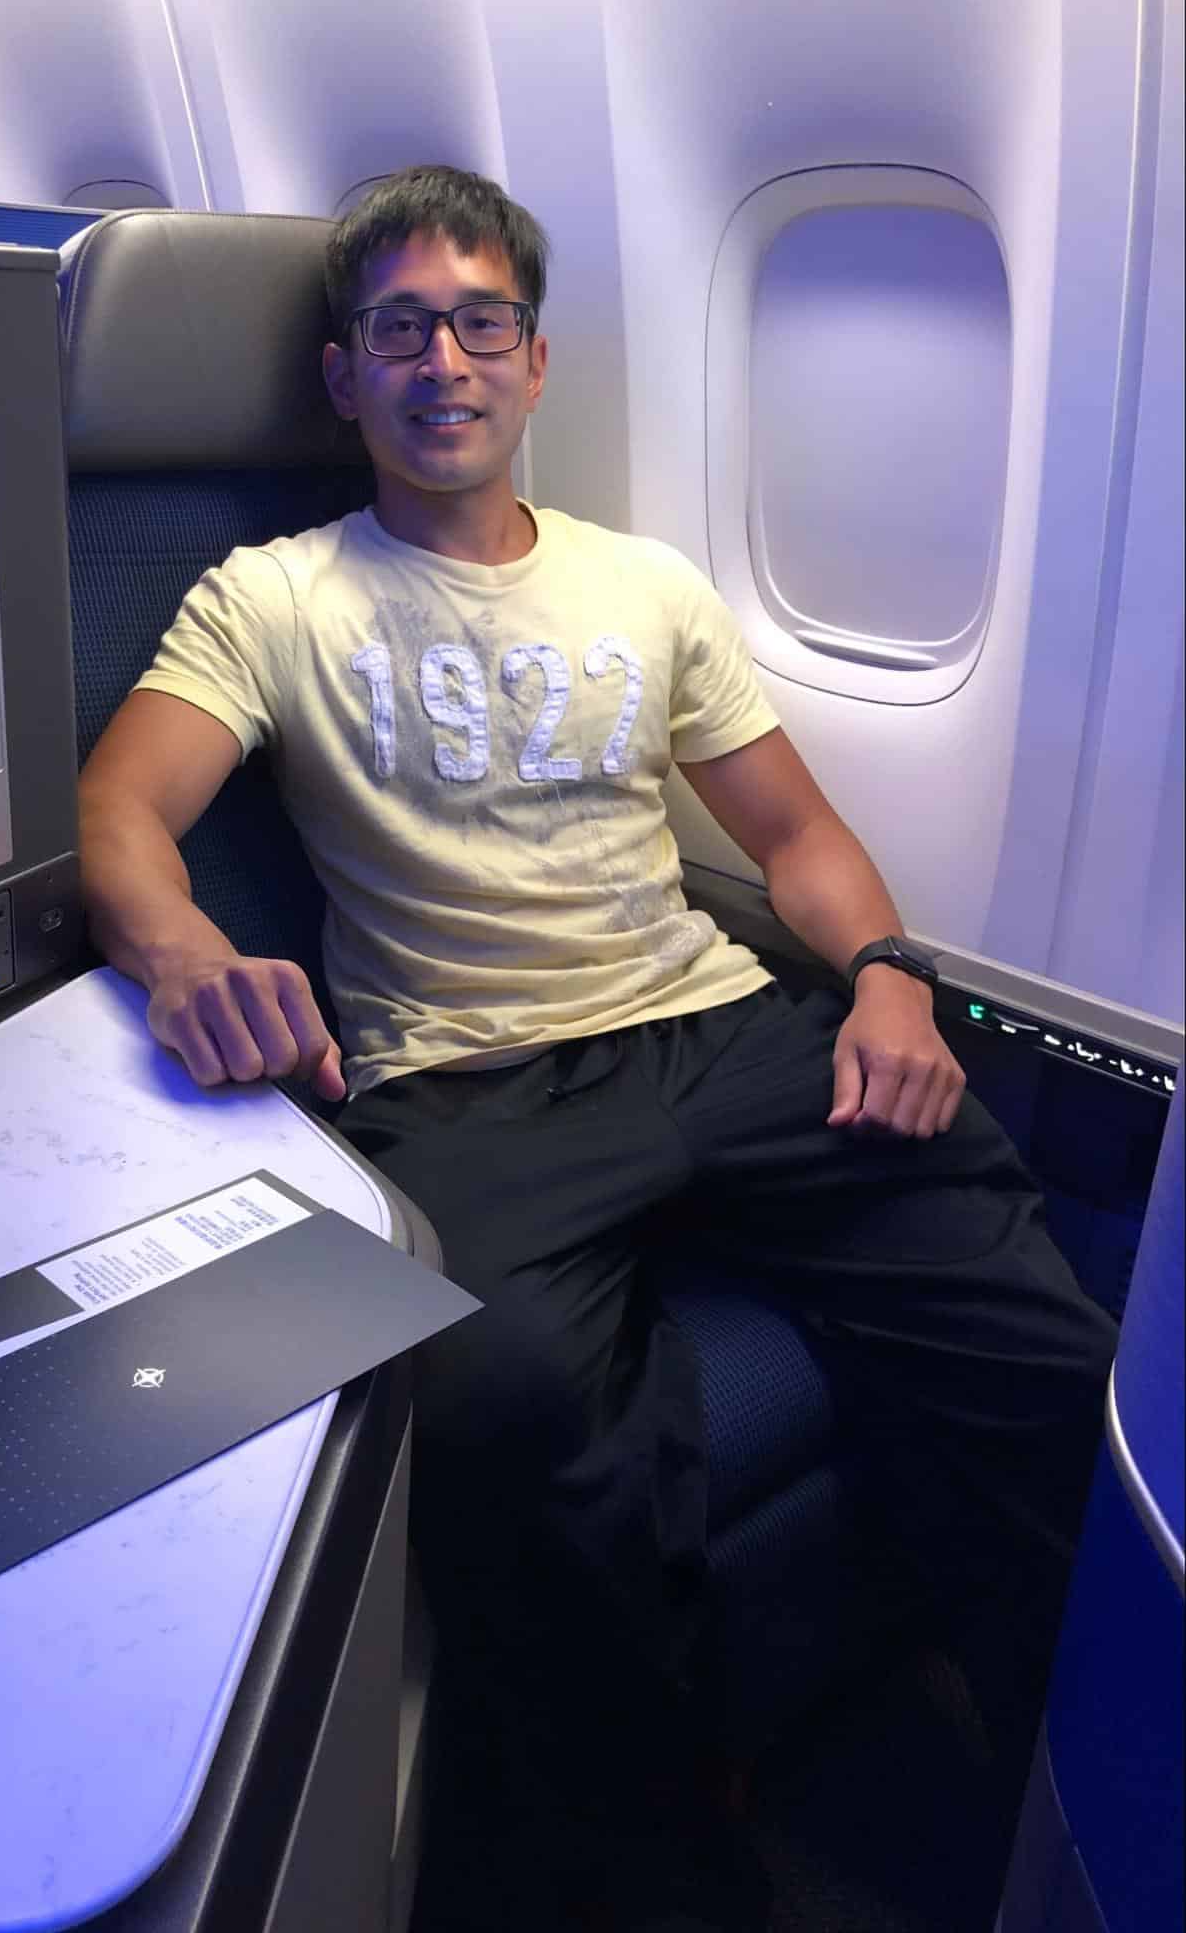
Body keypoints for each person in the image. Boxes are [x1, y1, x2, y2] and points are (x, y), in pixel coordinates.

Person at [78, 166, 1116, 1932]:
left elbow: (794, 839)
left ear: (536, 363)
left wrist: (883, 975)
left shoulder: (648, 586)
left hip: (713, 1027)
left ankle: (1089, 1756)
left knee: (1020, 1315)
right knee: (510, 1419)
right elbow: (123, 806)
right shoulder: (275, 596)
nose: (444, 361)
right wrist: (177, 949)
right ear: (346, 381)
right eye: (398, 329)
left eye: (480, 322)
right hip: (464, 1079)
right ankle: (657, 1865)